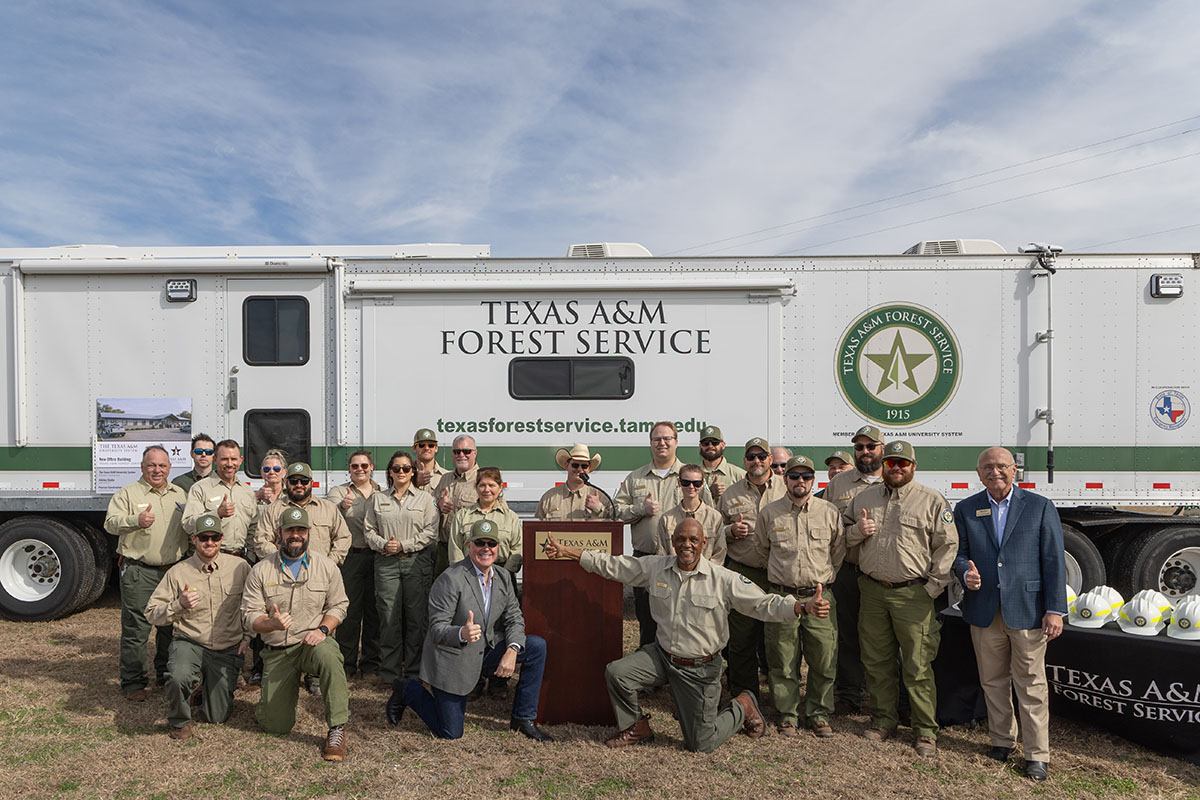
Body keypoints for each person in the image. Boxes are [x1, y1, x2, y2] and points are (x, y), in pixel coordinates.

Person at [543, 519, 828, 753]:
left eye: (693, 540)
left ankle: (742, 705)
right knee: (618, 673)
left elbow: (763, 604)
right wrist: (574, 553)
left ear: (704, 544)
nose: (686, 545)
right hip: (662, 656)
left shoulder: (723, 579)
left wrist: (801, 606)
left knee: (700, 744)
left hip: (699, 669)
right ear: (673, 542)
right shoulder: (656, 567)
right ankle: (637, 727)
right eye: (680, 539)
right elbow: (617, 566)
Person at [953, 447, 1066, 782]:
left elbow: (1053, 562)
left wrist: (1055, 609)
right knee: (993, 681)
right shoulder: (966, 508)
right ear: (978, 473)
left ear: (1014, 469)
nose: (995, 472)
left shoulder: (1039, 507)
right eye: (987, 467)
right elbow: (958, 555)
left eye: (1001, 466)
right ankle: (1002, 741)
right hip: (984, 609)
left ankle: (1036, 755)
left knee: (1031, 684)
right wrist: (964, 574)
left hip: (1028, 611)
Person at [387, 520, 553, 742]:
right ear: (468, 545)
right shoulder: (450, 578)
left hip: (485, 651)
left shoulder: (503, 577)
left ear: (498, 546)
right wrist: (461, 634)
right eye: (479, 543)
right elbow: (436, 629)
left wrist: (512, 649)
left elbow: (514, 618)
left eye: (491, 543)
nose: (486, 548)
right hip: (454, 658)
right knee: (450, 733)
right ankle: (407, 689)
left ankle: (523, 718)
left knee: (536, 646)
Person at [845, 440, 957, 756]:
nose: (895, 468)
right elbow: (844, 536)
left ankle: (924, 731)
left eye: (902, 463)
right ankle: (883, 720)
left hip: (914, 595)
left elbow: (948, 546)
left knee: (918, 665)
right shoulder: (864, 498)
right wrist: (857, 532)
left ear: (913, 466)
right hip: (872, 591)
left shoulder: (931, 500)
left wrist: (932, 588)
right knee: (877, 661)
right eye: (891, 463)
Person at [242, 506, 351, 761]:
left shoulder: (326, 566)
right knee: (276, 726)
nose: (295, 535)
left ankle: (337, 728)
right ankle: (270, 703)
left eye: (300, 530)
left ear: (309, 533)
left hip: (312, 643)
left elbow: (339, 605)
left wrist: (323, 629)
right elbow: (249, 617)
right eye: (290, 530)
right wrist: (272, 624)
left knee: (329, 657)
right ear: (279, 532)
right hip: (278, 650)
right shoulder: (260, 570)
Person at [754, 455, 844, 738]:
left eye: (806, 477)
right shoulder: (770, 513)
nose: (800, 482)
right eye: (794, 476)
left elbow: (837, 552)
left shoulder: (828, 512)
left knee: (823, 658)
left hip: (820, 597)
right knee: (782, 659)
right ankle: (787, 715)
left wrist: (821, 579)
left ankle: (818, 713)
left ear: (813, 480)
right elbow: (761, 550)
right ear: (785, 479)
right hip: (783, 598)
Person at [144, 514, 250, 740]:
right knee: (178, 676)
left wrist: (247, 637)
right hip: (190, 641)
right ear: (193, 539)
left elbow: (252, 605)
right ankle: (179, 722)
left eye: (214, 537)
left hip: (225, 647)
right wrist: (178, 605)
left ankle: (205, 688)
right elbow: (152, 613)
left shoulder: (240, 567)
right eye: (204, 537)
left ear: (222, 538)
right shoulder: (178, 572)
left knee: (217, 716)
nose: (209, 543)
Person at [614, 421, 712, 646]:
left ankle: (678, 672)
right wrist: (641, 509)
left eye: (667, 438)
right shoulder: (636, 478)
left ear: (676, 442)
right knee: (647, 620)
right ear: (650, 443)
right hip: (647, 559)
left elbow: (708, 513)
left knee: (683, 621)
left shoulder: (691, 476)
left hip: (684, 562)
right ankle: (651, 674)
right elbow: (617, 512)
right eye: (657, 439)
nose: (662, 443)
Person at [104, 445, 189, 700]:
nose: (157, 470)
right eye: (151, 465)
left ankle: (164, 674)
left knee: (169, 625)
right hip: (139, 571)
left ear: (170, 468)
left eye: (162, 465)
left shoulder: (180, 495)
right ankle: (133, 682)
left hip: (172, 571)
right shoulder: (128, 493)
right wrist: (135, 521)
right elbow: (110, 523)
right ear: (142, 467)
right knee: (137, 628)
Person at [716, 437, 785, 699]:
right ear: (744, 460)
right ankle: (744, 697)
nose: (757, 461)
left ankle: (781, 701)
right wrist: (730, 530)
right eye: (751, 456)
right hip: (743, 572)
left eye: (762, 456)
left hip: (778, 573)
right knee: (741, 639)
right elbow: (715, 531)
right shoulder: (731, 493)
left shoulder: (785, 488)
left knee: (778, 642)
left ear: (770, 459)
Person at [824, 424, 885, 714]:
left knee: (882, 639)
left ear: (881, 449)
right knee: (847, 635)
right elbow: (829, 529)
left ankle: (890, 699)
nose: (864, 452)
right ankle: (848, 694)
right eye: (859, 447)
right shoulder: (839, 483)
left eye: (870, 446)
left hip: (882, 574)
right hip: (848, 570)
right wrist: (855, 532)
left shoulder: (895, 478)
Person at [364, 450, 438, 687]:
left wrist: (403, 545)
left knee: (417, 618)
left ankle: (416, 672)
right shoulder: (377, 499)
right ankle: (390, 673)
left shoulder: (425, 500)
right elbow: (368, 531)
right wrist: (384, 545)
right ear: (390, 472)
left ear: (413, 471)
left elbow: (431, 532)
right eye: (396, 468)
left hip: (416, 562)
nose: (402, 472)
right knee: (388, 618)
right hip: (386, 564)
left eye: (406, 468)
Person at [327, 449, 384, 681]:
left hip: (378, 556)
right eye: (354, 466)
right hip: (351, 557)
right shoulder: (339, 492)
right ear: (349, 469)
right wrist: (341, 507)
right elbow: (329, 518)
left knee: (374, 611)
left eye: (364, 466)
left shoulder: (382, 491)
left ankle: (371, 664)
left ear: (372, 468)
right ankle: (346, 663)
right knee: (349, 612)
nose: (359, 470)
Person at [251, 463, 351, 566]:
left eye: (304, 481)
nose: (299, 485)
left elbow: (343, 537)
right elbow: (261, 540)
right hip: (282, 573)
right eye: (293, 481)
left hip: (320, 572)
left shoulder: (329, 508)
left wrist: (329, 563)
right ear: (286, 482)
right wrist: (280, 561)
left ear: (311, 483)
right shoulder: (273, 510)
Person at [182, 439, 257, 558]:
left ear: (241, 460)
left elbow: (253, 528)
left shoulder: (247, 491)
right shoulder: (200, 488)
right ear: (215, 460)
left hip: (241, 559)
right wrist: (216, 514)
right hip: (211, 558)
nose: (229, 464)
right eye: (224, 459)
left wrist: (251, 557)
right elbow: (188, 525)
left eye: (233, 459)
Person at [447, 467, 522, 574]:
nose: (487, 490)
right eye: (482, 485)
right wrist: (462, 574)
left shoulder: (511, 517)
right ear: (476, 487)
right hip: (468, 573)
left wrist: (505, 573)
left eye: (492, 485)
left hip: (503, 573)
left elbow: (518, 548)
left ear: (500, 488)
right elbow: (455, 549)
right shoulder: (462, 516)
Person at [656, 464, 725, 565]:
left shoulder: (715, 517)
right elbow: (662, 554)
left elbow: (719, 553)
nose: (691, 487)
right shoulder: (666, 519)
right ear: (679, 483)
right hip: (674, 576)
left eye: (696, 483)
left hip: (706, 577)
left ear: (703, 484)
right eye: (686, 483)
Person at [433, 434, 480, 576]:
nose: (461, 455)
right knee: (442, 593)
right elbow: (430, 507)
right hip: (444, 549)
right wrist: (439, 505)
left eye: (466, 451)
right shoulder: (445, 478)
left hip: (470, 550)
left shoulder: (483, 479)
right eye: (456, 451)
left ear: (475, 453)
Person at [534, 444, 607, 521]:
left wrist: (598, 508)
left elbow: (614, 523)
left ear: (589, 469)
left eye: (584, 466)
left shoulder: (601, 498)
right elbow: (536, 529)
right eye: (575, 465)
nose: (579, 469)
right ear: (566, 465)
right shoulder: (549, 498)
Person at [698, 425, 746, 501]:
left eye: (715, 442)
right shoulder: (692, 475)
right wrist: (708, 493)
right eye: (706, 443)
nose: (710, 446)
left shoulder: (740, 475)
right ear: (700, 446)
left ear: (723, 445)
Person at [412, 428, 448, 496]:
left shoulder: (446, 476)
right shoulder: (405, 473)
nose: (426, 448)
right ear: (414, 448)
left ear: (436, 448)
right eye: (421, 445)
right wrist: (414, 483)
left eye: (431, 445)